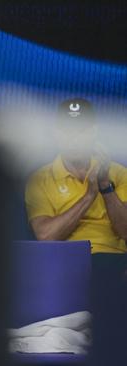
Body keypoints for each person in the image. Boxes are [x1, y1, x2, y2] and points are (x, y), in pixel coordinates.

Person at [25, 98, 127, 362]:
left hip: (117, 261)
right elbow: (46, 235)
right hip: (68, 264)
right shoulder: (41, 178)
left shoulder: (119, 174)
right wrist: (88, 196)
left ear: (94, 133)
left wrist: (105, 186)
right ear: (57, 135)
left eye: (82, 130)